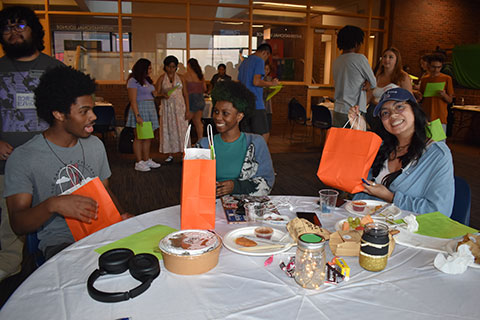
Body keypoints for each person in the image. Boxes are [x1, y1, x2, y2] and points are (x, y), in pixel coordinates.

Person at [4, 66, 128, 260]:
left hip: (103, 233)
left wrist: (120, 217)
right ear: (59, 114)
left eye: (92, 110)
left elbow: (105, 192)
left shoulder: (95, 145)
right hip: (62, 244)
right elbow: (18, 224)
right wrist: (53, 205)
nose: (93, 117)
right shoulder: (24, 157)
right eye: (84, 111)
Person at [0, 5, 64, 281]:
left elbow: (69, 113)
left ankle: (51, 264)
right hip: (6, 160)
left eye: (20, 26)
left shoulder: (55, 69)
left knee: (52, 218)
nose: (13, 32)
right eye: (8, 27)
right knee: (8, 219)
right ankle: (10, 266)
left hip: (47, 160)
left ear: (34, 31)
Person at [348, 88, 454, 217]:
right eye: (385, 113)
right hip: (364, 223)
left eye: (399, 107)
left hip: (407, 232)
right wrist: (361, 135)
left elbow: (439, 211)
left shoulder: (437, 155)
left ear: (414, 110)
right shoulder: (381, 147)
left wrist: (390, 197)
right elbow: (351, 181)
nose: (393, 115)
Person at [197, 81, 275, 197]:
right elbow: (194, 185)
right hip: (211, 207)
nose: (218, 117)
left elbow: (267, 183)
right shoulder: (203, 145)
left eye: (225, 113)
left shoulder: (255, 143)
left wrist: (235, 186)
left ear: (239, 116)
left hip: (246, 208)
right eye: (216, 111)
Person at [332, 25, 376, 128]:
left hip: (338, 109)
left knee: (339, 141)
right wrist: (368, 82)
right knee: (355, 142)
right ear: (356, 43)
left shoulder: (337, 61)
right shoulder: (360, 59)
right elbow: (373, 82)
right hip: (354, 111)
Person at [125, 58, 161, 172]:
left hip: (150, 108)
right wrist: (137, 115)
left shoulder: (147, 80)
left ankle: (146, 159)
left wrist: (156, 93)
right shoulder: (133, 81)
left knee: (148, 136)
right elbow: (133, 100)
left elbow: (152, 94)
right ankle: (139, 161)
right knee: (139, 136)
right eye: (149, 68)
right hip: (140, 108)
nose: (151, 70)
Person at [238, 43, 279, 142]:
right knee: (264, 133)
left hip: (244, 103)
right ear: (265, 53)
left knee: (246, 134)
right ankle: (259, 155)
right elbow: (256, 82)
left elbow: (239, 81)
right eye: (267, 57)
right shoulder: (259, 61)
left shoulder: (244, 62)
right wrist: (271, 83)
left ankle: (247, 156)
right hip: (256, 103)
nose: (265, 61)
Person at [367, 47, 412, 130]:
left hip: (391, 114)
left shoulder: (402, 76)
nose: (387, 59)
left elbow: (410, 98)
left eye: (391, 57)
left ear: (396, 60)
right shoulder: (378, 76)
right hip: (374, 113)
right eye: (384, 56)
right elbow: (370, 95)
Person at [155, 55, 189, 163]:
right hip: (167, 108)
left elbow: (186, 94)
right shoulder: (161, 78)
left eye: (173, 67)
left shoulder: (181, 78)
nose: (171, 69)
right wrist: (163, 95)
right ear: (165, 67)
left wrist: (188, 109)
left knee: (182, 129)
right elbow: (156, 93)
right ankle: (170, 153)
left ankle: (183, 153)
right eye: (169, 67)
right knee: (169, 129)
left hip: (179, 107)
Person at [419, 53, 454, 132]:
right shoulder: (425, 79)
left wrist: (444, 95)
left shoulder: (447, 78)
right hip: (426, 116)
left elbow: (450, 100)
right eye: (433, 67)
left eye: (439, 67)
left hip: (440, 117)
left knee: (439, 143)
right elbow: (421, 97)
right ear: (428, 66)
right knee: (425, 142)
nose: (436, 70)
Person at [184, 58, 207, 143]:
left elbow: (183, 89)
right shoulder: (200, 75)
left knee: (185, 122)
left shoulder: (186, 75)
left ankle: (186, 141)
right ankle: (200, 140)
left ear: (189, 65)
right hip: (200, 99)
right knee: (198, 122)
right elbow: (205, 88)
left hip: (191, 99)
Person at [263, 63, 273, 138]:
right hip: (261, 104)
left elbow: (270, 90)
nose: (266, 71)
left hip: (268, 105)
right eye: (264, 69)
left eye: (267, 69)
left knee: (268, 126)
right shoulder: (259, 79)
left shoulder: (270, 79)